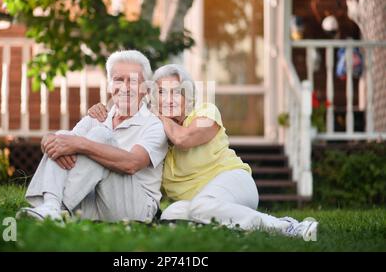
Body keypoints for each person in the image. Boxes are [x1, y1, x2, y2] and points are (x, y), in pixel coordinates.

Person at [88, 64, 318, 239]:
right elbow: (119, 153)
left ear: (187, 96)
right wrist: (104, 112)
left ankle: (287, 226)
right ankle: (235, 232)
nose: (168, 99)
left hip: (233, 183)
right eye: (161, 93)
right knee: (171, 215)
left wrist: (156, 115)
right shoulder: (153, 136)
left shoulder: (205, 114)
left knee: (201, 206)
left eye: (175, 92)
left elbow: (182, 139)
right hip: (199, 204)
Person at [17, 50, 168, 223]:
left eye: (133, 81)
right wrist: (48, 140)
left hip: (135, 209)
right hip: (93, 202)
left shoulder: (154, 125)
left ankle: (56, 207)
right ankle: (51, 206)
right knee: (62, 135)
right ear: (109, 85)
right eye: (118, 79)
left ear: (146, 89)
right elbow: (63, 143)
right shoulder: (96, 118)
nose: (125, 87)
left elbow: (131, 164)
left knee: (100, 135)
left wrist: (81, 144)